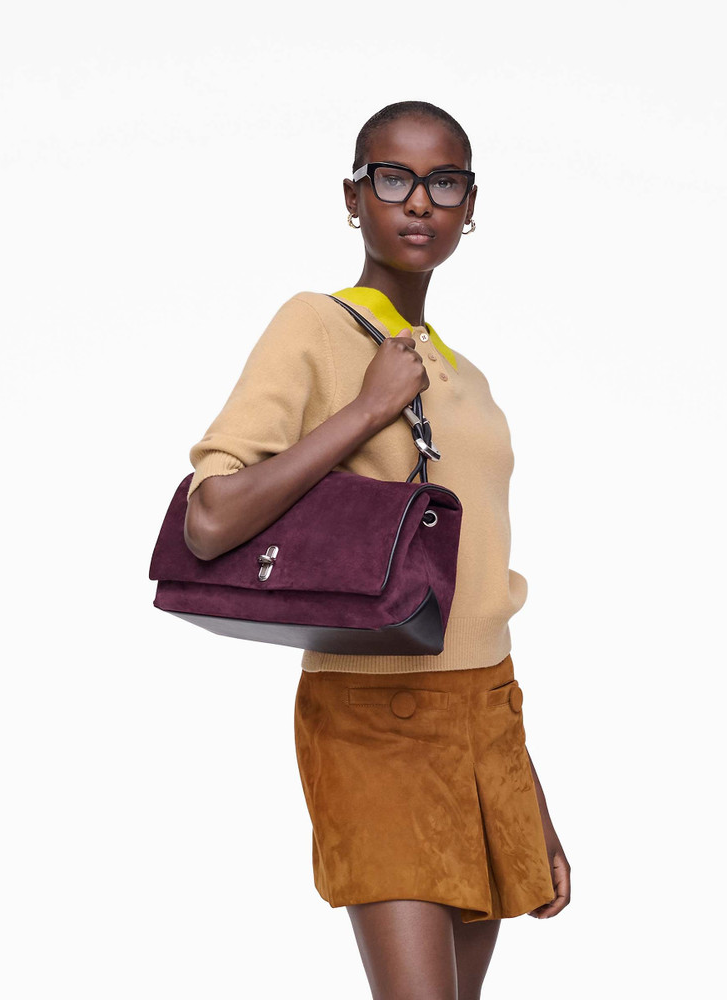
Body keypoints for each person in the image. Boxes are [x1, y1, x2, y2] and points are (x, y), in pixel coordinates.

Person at [184, 101, 570, 999]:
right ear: (352, 197)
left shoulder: (467, 376)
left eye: (445, 182)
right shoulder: (315, 326)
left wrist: (531, 796)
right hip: (373, 721)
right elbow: (209, 516)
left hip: (487, 719)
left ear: (471, 205)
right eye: (392, 178)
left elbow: (478, 598)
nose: (419, 202)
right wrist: (366, 409)